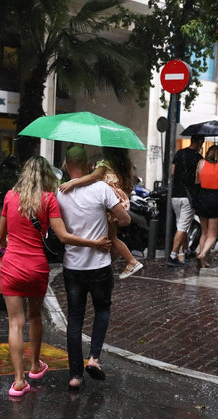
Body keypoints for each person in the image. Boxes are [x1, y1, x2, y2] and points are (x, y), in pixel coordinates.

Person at [0, 155, 112, 398]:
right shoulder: (49, 199)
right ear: (46, 175)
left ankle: (18, 382)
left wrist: (7, 244)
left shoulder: (9, 196)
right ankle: (36, 366)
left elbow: (0, 234)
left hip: (12, 267)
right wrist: (95, 242)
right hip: (36, 268)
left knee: (15, 324)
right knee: (35, 315)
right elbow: (64, 237)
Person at [56, 146, 131, 390]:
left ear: (67, 167)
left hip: (72, 267)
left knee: (75, 318)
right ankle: (94, 358)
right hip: (99, 265)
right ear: (89, 166)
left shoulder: (60, 193)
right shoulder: (102, 189)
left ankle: (75, 376)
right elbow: (125, 219)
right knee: (102, 309)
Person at [59, 147, 143, 279]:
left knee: (113, 238)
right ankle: (112, 263)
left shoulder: (104, 164)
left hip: (109, 204)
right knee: (110, 238)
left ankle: (132, 261)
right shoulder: (119, 166)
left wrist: (73, 184)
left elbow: (93, 177)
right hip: (115, 202)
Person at [168, 135, 204, 267]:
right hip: (188, 196)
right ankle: (173, 256)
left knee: (181, 226)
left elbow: (172, 172)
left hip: (175, 195)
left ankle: (186, 250)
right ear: (199, 142)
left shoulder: (180, 153)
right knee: (182, 227)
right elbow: (198, 179)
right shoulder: (198, 159)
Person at [195, 145, 218, 268]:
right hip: (217, 198)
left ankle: (203, 261)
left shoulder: (201, 163)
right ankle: (202, 254)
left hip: (203, 197)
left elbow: (197, 181)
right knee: (212, 234)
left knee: (204, 232)